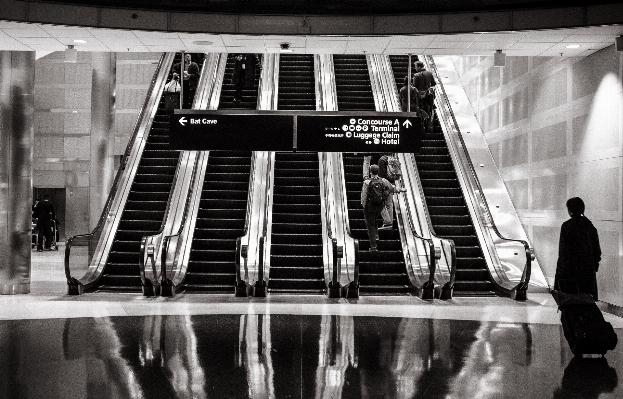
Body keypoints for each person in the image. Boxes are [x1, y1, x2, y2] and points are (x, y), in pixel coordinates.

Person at [554, 197, 602, 300]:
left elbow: (564, 253)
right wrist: (594, 267)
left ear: (570, 210)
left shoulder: (567, 226)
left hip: (570, 273)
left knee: (570, 303)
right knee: (585, 302)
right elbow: (597, 250)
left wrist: (560, 274)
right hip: (587, 273)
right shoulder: (590, 226)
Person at [361, 165, 406, 251]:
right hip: (380, 206)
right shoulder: (383, 180)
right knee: (374, 219)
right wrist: (400, 190)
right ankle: (376, 235)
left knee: (370, 225)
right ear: (377, 171)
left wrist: (364, 206)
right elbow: (391, 189)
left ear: (370, 172)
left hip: (370, 206)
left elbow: (364, 195)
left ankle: (373, 246)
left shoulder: (367, 182)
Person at [413, 61, 436, 132]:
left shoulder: (416, 75)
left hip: (420, 98)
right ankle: (429, 127)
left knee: (420, 111)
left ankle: (422, 127)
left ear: (419, 67)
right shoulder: (429, 73)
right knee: (429, 111)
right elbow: (433, 84)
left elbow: (414, 87)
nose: (415, 68)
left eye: (416, 67)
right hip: (428, 96)